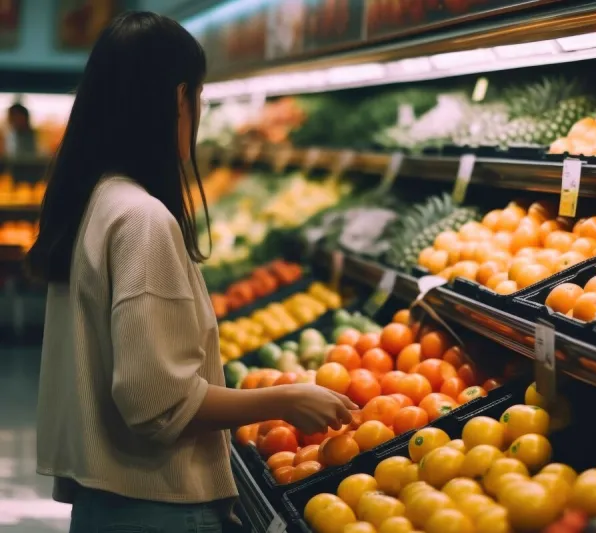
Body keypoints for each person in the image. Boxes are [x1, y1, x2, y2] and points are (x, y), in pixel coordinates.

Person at [26, 12, 356, 533]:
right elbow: (156, 402)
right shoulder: (143, 220)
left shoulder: (96, 199)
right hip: (157, 505)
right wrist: (286, 399)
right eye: (198, 95)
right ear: (179, 98)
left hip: (107, 502)